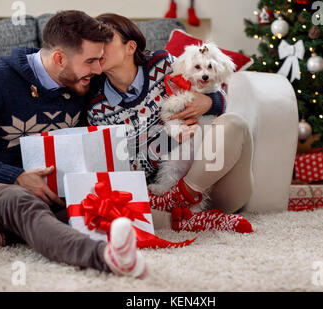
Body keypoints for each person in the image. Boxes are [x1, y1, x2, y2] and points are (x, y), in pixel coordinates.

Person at [0, 10, 147, 278]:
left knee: (98, 203)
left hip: (48, 193)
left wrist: (210, 101)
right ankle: (105, 258)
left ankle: (1, 236)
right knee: (20, 202)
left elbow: (152, 73)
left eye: (99, 60)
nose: (99, 69)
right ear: (59, 58)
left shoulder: (83, 79)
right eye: (90, 61)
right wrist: (15, 176)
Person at [86, 13, 254, 233]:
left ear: (130, 47)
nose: (99, 48)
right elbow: (122, 169)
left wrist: (207, 102)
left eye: (106, 40)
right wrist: (169, 138)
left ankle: (183, 200)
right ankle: (187, 212)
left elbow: (215, 92)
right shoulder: (97, 108)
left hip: (216, 182)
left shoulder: (163, 63)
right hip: (159, 194)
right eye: (94, 42)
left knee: (234, 123)